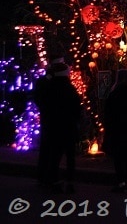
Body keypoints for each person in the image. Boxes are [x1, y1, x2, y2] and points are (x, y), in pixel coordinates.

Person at [33, 57, 82, 193]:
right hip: (68, 127)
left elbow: (39, 100)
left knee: (55, 154)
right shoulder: (70, 89)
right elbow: (76, 108)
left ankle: (52, 179)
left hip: (52, 126)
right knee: (70, 156)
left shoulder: (48, 87)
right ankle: (69, 181)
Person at [103, 69, 127, 192]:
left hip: (117, 130)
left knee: (119, 157)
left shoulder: (113, 94)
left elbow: (108, 113)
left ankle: (121, 182)